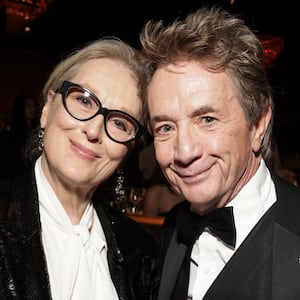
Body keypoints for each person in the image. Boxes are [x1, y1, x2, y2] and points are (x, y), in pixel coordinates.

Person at [139, 5, 300, 300]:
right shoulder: (175, 226)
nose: (184, 152)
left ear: (258, 125)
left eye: (207, 119)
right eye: (165, 128)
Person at [0, 37, 159, 300]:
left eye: (119, 123)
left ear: (126, 152)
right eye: (84, 100)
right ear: (48, 108)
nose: (94, 130)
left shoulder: (141, 251)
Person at [0, 93, 38, 179]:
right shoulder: (11, 134)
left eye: (33, 105)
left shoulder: (36, 130)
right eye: (29, 106)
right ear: (20, 108)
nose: (33, 109)